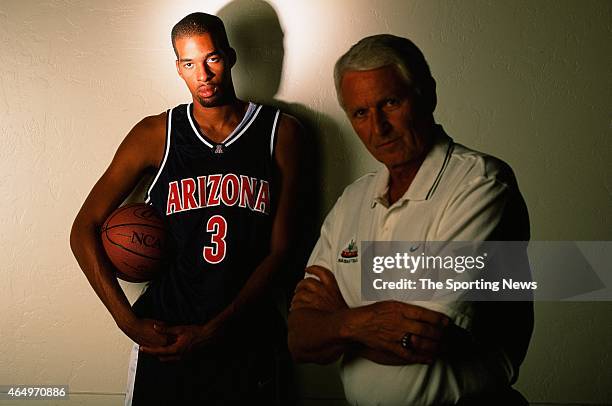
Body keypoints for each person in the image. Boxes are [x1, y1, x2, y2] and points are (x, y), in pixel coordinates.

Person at [70, 12, 302, 405]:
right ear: (178, 69)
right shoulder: (156, 133)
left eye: (211, 59)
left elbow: (283, 250)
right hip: (166, 339)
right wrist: (127, 321)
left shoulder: (281, 132)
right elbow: (83, 229)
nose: (204, 74)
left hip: (248, 339)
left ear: (229, 57)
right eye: (190, 63)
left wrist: (214, 329)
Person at [288, 34, 533, 405]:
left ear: (428, 95)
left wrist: (336, 322)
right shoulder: (353, 200)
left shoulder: (480, 184)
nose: (378, 127)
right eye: (360, 112)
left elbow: (429, 336)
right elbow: (299, 339)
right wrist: (361, 324)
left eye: (390, 102)